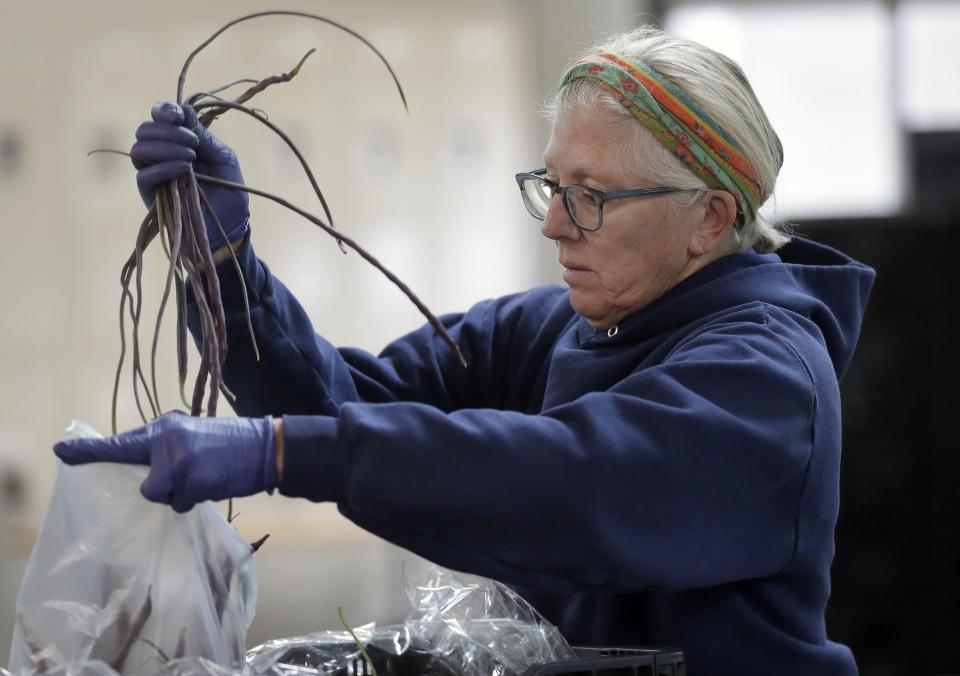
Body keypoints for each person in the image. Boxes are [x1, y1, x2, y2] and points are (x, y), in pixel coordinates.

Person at [54, 26, 875, 676]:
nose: (555, 223)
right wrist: (224, 271)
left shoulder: (769, 375)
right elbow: (350, 405)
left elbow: (573, 484)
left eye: (591, 196)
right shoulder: (555, 327)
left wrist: (278, 453)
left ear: (707, 216)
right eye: (553, 187)